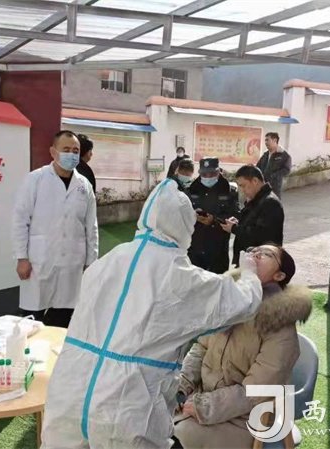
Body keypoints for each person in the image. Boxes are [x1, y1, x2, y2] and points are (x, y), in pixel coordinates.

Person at [41, 178, 265, 449]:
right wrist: (249, 274)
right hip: (127, 404)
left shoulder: (107, 262)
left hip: (70, 392)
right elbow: (241, 302)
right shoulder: (179, 276)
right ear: (185, 226)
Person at [174, 245, 312, 449]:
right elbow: (201, 349)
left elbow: (254, 392)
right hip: (200, 399)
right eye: (254, 250)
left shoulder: (281, 328)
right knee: (151, 416)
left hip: (247, 417)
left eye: (267, 254)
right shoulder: (230, 305)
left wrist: (203, 407)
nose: (256, 253)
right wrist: (180, 388)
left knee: (179, 435)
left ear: (279, 275)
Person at [12, 130, 99, 328]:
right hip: (40, 260)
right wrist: (22, 257)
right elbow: (20, 220)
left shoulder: (84, 185)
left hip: (72, 262)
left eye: (75, 151)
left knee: (64, 316)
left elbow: (91, 226)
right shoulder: (36, 179)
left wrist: (91, 262)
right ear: (53, 152)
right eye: (66, 149)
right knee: (32, 317)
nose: (71, 154)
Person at [220, 165, 284, 267]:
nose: (242, 190)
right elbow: (252, 223)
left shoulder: (270, 203)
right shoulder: (256, 200)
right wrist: (238, 222)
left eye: (243, 185)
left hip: (260, 265)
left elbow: (261, 235)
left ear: (255, 181)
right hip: (248, 261)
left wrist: (234, 228)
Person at [187, 158, 238, 274]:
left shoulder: (229, 191)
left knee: (218, 280)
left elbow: (235, 215)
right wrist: (194, 216)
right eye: (204, 174)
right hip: (196, 247)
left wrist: (214, 220)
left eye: (212, 173)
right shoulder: (191, 190)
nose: (208, 177)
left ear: (219, 171)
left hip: (218, 247)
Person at [256, 132, 292, 199]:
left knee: (273, 204)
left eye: (267, 140)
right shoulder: (265, 155)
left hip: (274, 188)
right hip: (262, 187)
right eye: (265, 140)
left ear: (275, 140)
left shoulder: (284, 155)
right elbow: (257, 167)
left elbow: (287, 170)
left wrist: (273, 176)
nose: (265, 142)